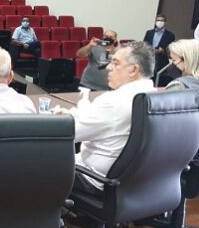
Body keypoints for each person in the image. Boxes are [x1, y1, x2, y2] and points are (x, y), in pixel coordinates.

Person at [61, 41, 156, 194]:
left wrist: (61, 120)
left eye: (115, 63)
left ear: (133, 70)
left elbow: (68, 134)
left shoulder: (112, 101)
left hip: (93, 178)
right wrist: (74, 115)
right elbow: (106, 122)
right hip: (134, 183)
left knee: (37, 159)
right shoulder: (153, 96)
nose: (108, 67)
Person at [165, 39, 199, 160]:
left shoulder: (179, 86)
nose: (171, 64)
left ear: (187, 61)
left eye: (174, 60)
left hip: (179, 156)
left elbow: (163, 127)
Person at [143, 14, 176, 86]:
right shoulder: (149, 33)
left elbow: (171, 49)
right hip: (149, 58)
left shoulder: (170, 35)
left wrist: (163, 51)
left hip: (161, 61)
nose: (160, 22)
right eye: (158, 20)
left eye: (162, 20)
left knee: (159, 80)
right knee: (147, 78)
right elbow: (144, 45)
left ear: (165, 22)